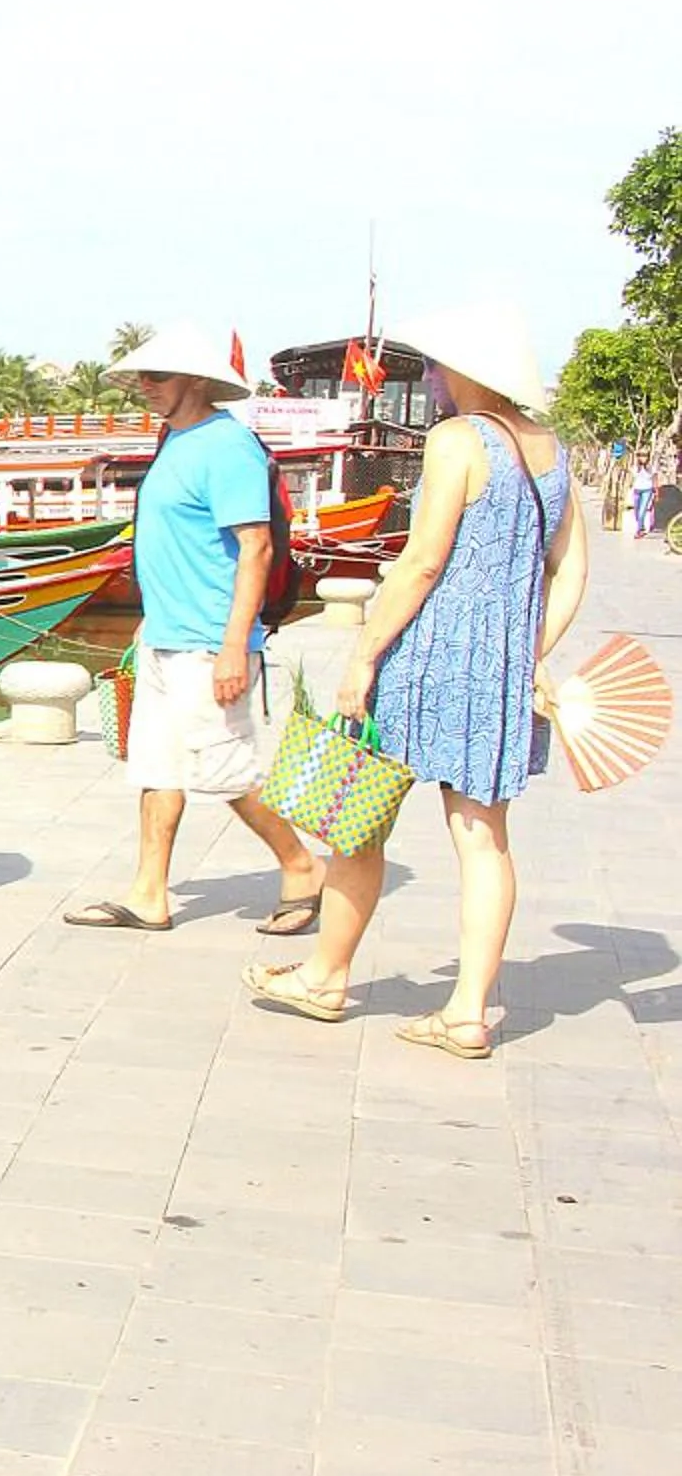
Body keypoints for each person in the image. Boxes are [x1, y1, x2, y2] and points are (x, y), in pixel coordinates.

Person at [244, 308, 589, 1057]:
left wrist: (365, 655)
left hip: (426, 659)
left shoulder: (458, 439)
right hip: (498, 678)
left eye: (436, 364)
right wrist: (527, 653)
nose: (430, 376)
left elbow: (424, 562)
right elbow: (571, 572)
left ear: (469, 369)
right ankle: (467, 1012)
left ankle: (325, 977)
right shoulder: (552, 451)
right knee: (484, 841)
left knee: (359, 816)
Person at [65, 325, 324, 936]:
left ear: (197, 381)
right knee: (156, 768)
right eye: (142, 377)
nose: (146, 387)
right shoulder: (173, 441)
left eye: (159, 376)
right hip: (165, 635)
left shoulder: (227, 447)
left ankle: (302, 865)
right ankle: (148, 893)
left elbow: (256, 548)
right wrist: (148, 624)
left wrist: (235, 645)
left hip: (209, 641)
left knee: (226, 772)